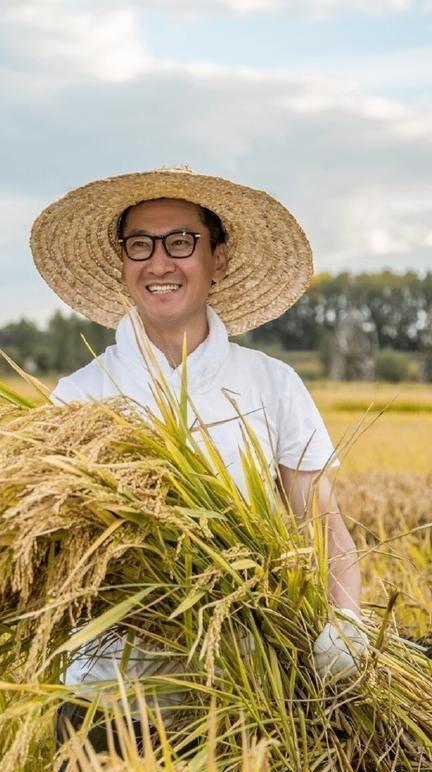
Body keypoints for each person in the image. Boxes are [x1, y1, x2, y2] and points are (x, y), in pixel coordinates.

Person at [29, 166, 369, 739]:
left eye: (181, 242)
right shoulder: (79, 396)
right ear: (122, 263)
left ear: (219, 258)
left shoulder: (271, 384)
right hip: (109, 702)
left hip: (249, 696)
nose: (159, 263)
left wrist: (346, 620)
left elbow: (324, 527)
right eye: (140, 244)